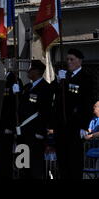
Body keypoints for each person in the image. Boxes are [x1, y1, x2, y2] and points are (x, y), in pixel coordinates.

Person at [49, 48, 95, 179]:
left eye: (72, 59)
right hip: (61, 126)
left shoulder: (86, 77)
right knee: (62, 161)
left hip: (75, 125)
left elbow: (86, 102)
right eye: (67, 59)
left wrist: (84, 125)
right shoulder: (64, 76)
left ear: (79, 61)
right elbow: (53, 95)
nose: (68, 62)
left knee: (74, 161)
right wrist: (58, 81)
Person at [16, 60, 53, 179]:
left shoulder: (45, 88)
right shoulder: (27, 87)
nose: (28, 71)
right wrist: (17, 94)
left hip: (35, 134)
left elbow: (45, 112)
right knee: (22, 166)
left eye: (30, 69)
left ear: (37, 71)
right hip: (23, 133)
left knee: (35, 168)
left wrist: (41, 132)